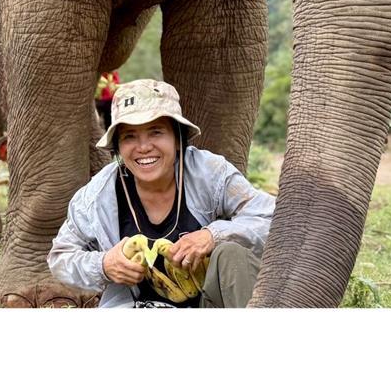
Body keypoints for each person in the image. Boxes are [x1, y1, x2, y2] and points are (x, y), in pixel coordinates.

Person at [48, 79, 275, 308]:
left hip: (212, 303)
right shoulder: (96, 196)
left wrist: (213, 235)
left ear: (178, 138)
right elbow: (60, 257)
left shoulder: (211, 173)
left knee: (231, 255)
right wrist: (103, 264)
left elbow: (272, 219)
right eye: (129, 136)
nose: (144, 147)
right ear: (117, 147)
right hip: (134, 308)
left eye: (155, 132)